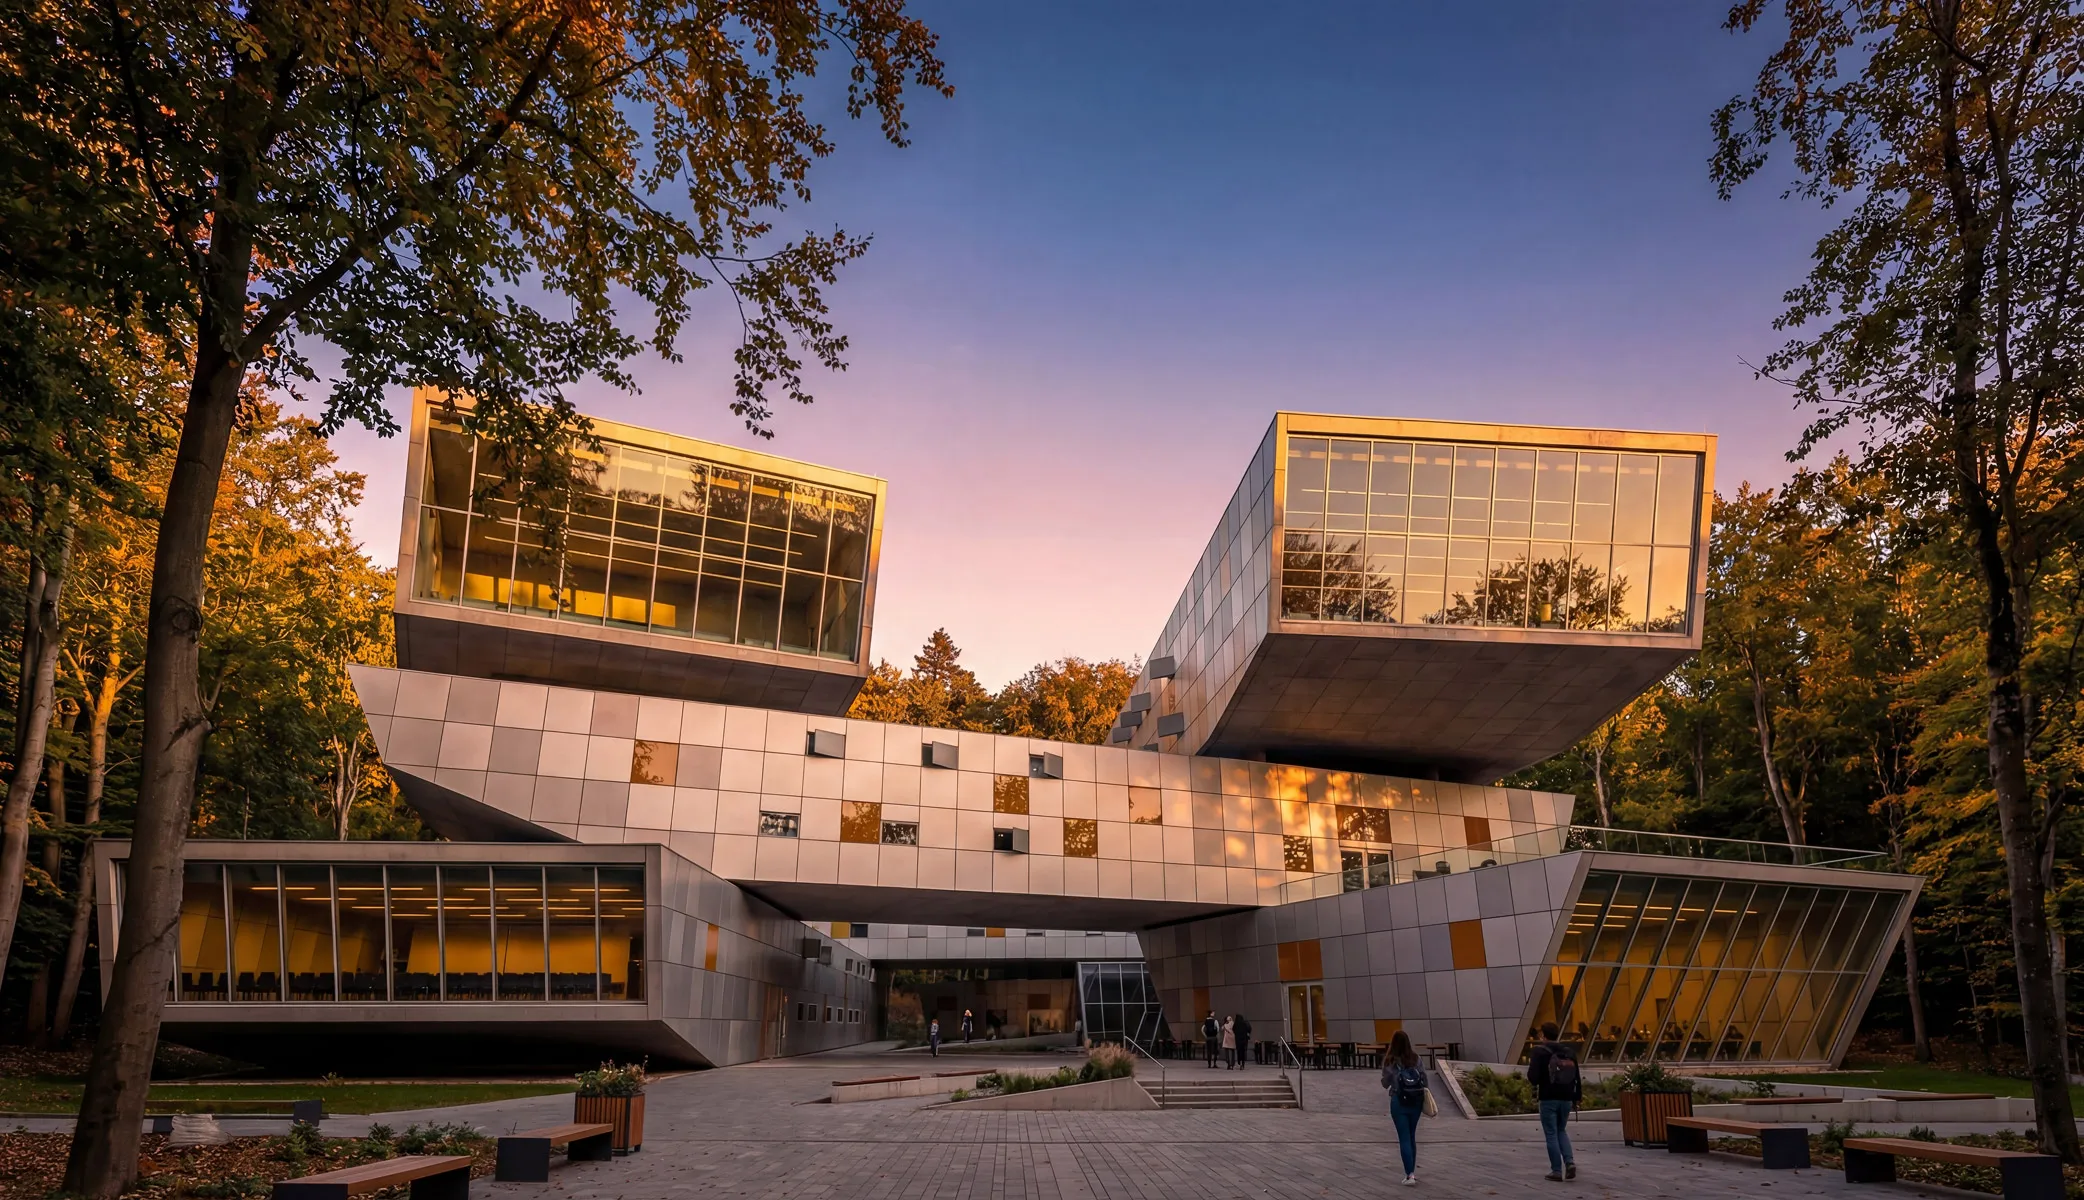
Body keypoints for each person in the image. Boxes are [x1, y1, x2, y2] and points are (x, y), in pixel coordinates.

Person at [1526, 1021, 1581, 1182]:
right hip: (1566, 1097)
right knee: (1561, 1130)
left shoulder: (1539, 1052)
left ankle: (1556, 1170)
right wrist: (1577, 1097)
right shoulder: (1569, 1051)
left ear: (1543, 1035)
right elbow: (1576, 1076)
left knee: (1551, 1133)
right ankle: (1569, 1162)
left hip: (1548, 1097)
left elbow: (1533, 1078)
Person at [1380, 1029, 1427, 1185]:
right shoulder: (1416, 1058)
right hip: (1416, 1101)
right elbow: (1424, 1079)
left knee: (1404, 1137)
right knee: (1412, 1135)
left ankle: (1409, 1175)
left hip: (1398, 1101)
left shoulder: (1390, 1060)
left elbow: (1385, 1083)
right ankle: (1412, 1172)